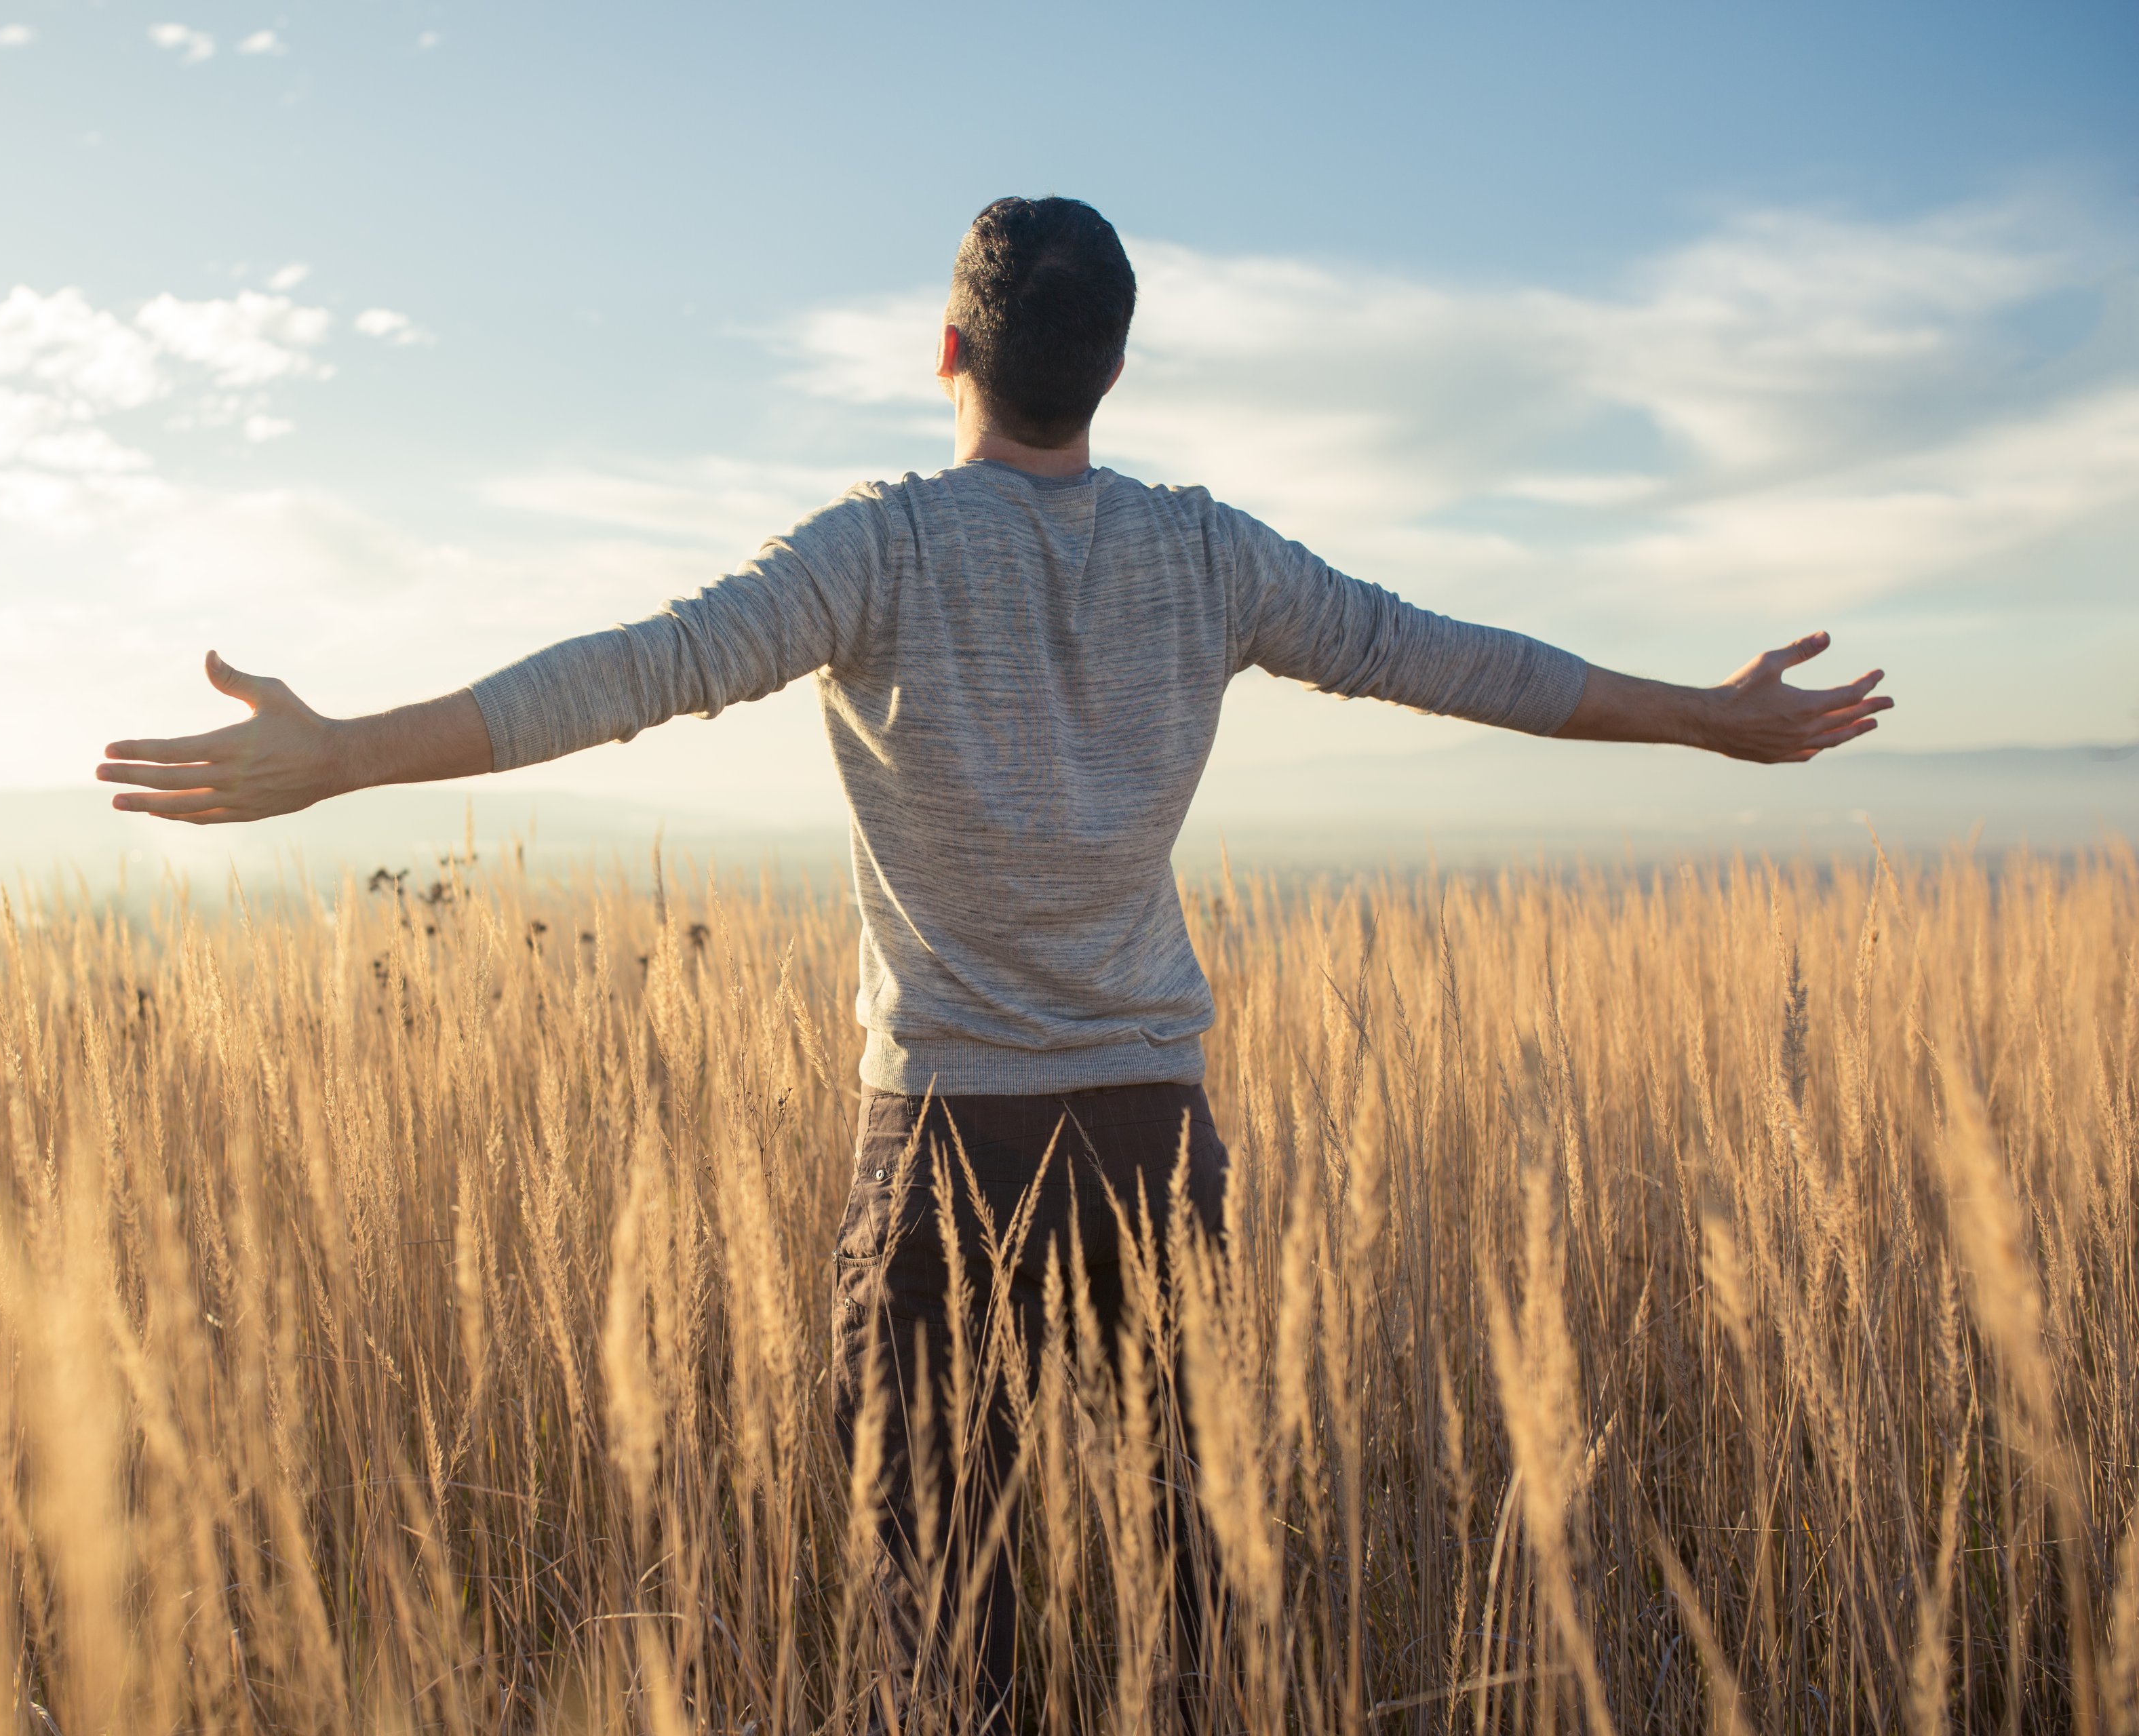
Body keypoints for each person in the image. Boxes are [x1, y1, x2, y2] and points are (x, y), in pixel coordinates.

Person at [98, 197, 1892, 1731]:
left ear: (945, 352)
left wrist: (344, 755)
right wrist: (1704, 723)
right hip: (1150, 1143)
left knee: (950, 1626)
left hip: (949, 1145)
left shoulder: (876, 552)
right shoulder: (1207, 557)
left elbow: (629, 674)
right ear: (1107, 371)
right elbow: (1447, 656)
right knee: (1176, 1601)